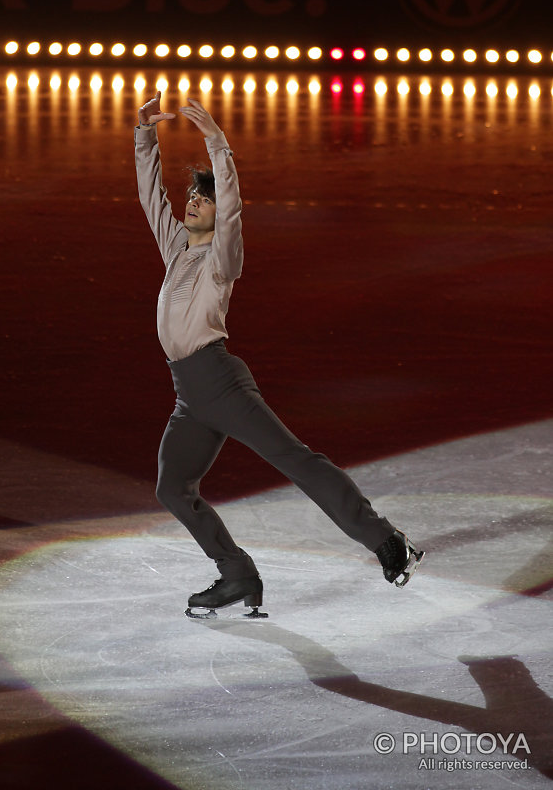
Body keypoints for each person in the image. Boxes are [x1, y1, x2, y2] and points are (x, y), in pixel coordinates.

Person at [134, 92, 424, 617]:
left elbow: (232, 208)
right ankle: (237, 574)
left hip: (218, 380)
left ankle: (386, 541)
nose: (192, 202)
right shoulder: (177, 248)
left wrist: (216, 144)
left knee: (295, 460)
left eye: (204, 198)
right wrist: (143, 137)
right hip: (189, 395)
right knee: (173, 488)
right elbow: (150, 197)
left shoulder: (222, 258)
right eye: (191, 197)